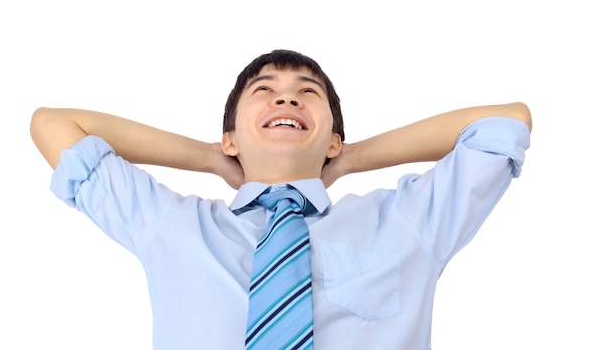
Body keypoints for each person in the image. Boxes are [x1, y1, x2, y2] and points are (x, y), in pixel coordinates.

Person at [30, 49, 532, 349]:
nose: (287, 99)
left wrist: (353, 156)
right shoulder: (173, 226)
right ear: (231, 135)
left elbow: (505, 124)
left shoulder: (406, 221)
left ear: (333, 137)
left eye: (307, 92)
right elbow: (53, 125)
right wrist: (209, 156)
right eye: (265, 90)